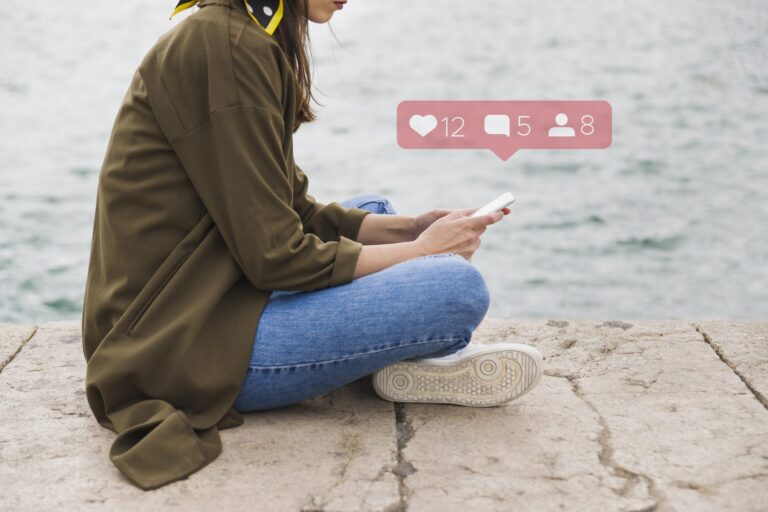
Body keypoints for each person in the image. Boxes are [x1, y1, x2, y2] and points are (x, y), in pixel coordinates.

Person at [81, 0, 543, 491]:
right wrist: (424, 252)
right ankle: (418, 354)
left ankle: (403, 351)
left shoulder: (236, 33)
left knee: (377, 210)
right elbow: (275, 258)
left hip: (198, 294)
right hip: (176, 346)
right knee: (455, 288)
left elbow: (290, 208)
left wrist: (411, 229)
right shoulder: (230, 48)